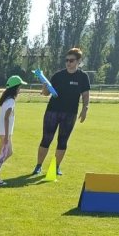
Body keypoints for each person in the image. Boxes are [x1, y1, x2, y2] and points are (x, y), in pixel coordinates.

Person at [34, 47, 91, 177]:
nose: (68, 63)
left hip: (70, 113)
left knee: (63, 141)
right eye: (66, 60)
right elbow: (46, 93)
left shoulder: (83, 77)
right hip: (52, 112)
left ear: (78, 61)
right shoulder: (58, 75)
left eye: (71, 60)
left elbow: (85, 94)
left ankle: (56, 167)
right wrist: (44, 86)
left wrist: (85, 108)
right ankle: (38, 166)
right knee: (46, 139)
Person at [0, 75, 26, 185]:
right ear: (15, 88)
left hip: (3, 132)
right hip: (4, 132)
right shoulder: (10, 101)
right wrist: (7, 136)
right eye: (19, 87)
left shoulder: (7, 100)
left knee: (7, 153)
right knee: (4, 154)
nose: (20, 89)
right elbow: (6, 118)